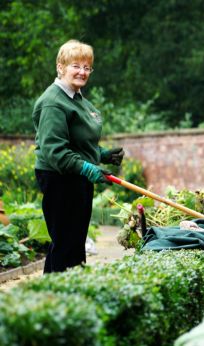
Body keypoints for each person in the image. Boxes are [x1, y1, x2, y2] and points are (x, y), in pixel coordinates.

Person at [33, 39, 124, 273]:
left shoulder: (77, 98)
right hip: (59, 177)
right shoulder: (54, 102)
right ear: (61, 66)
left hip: (76, 177)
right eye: (76, 65)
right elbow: (56, 151)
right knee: (65, 243)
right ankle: (57, 297)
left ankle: (73, 290)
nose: (82, 72)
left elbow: (77, 142)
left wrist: (101, 155)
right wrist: (88, 168)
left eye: (87, 67)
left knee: (74, 242)